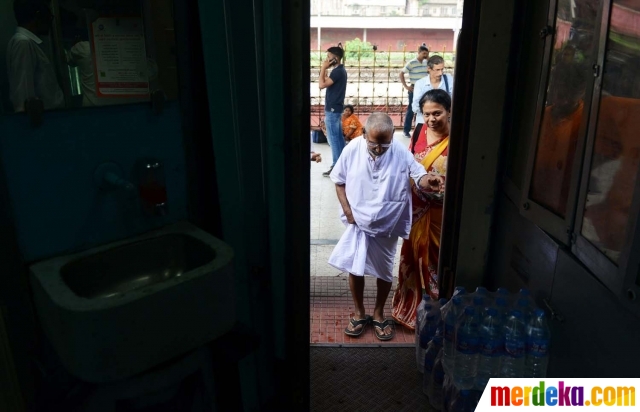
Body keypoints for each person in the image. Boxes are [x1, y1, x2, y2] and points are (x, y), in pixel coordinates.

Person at [327, 112, 445, 340]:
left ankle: (379, 313)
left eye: (385, 144)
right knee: (355, 266)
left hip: (387, 222)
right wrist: (349, 212)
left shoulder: (399, 150)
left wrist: (427, 180)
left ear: (392, 136)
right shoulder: (352, 149)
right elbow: (338, 181)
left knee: (384, 269)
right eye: (374, 144)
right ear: (363, 134)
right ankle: (360, 313)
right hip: (358, 221)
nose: (379, 149)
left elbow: (418, 173)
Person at [392, 89, 451, 330]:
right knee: (411, 257)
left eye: (437, 113)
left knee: (436, 262)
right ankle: (409, 307)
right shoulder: (418, 131)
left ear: (449, 111)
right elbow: (408, 163)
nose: (431, 119)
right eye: (426, 114)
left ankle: (436, 312)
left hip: (441, 214)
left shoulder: (458, 138)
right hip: (416, 211)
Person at [7, 0, 64, 113]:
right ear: (38, 16)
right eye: (49, 17)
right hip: (42, 122)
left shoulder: (27, 43)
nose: (49, 22)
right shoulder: (23, 43)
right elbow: (23, 96)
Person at [410, 55, 453, 149]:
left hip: (443, 124)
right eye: (437, 70)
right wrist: (430, 111)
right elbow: (415, 106)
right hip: (423, 123)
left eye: (442, 69)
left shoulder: (449, 80)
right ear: (429, 69)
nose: (440, 73)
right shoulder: (420, 84)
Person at [319, 45, 347, 177]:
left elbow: (321, 85)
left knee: (334, 139)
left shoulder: (337, 72)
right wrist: (325, 70)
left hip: (332, 109)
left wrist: (323, 68)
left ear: (335, 59)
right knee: (338, 137)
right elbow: (325, 81)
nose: (327, 60)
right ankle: (342, 164)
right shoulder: (340, 70)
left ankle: (337, 166)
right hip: (336, 107)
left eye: (329, 57)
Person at [399, 44, 429, 138]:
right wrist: (406, 86)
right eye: (424, 53)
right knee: (411, 109)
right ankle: (406, 130)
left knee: (425, 109)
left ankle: (423, 130)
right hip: (414, 89)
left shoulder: (427, 62)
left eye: (426, 54)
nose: (425, 55)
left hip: (425, 89)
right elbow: (401, 73)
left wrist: (428, 60)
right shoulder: (411, 63)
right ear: (419, 53)